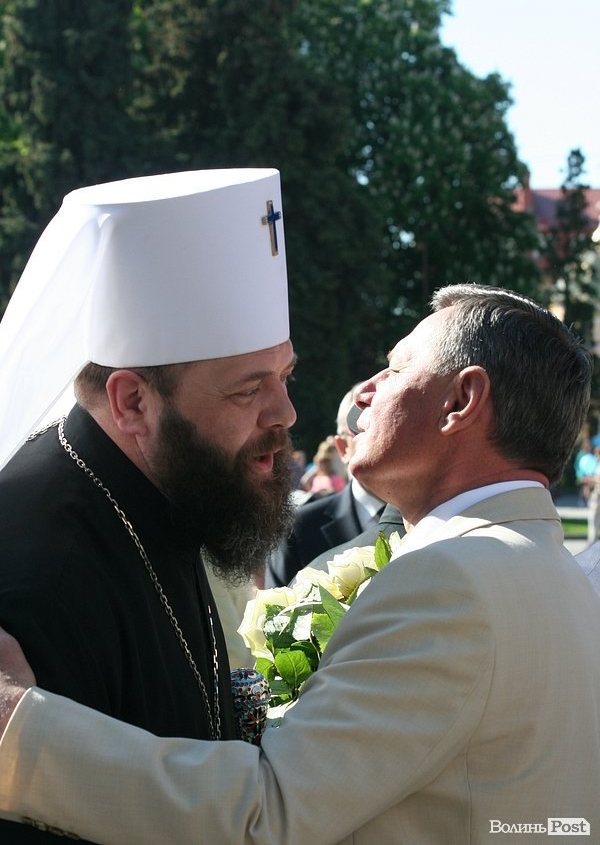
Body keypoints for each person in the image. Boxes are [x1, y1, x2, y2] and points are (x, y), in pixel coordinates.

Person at [1, 283, 600, 844]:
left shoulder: (452, 578)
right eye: (248, 387)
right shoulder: (560, 576)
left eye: (394, 368)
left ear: (462, 401)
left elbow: (267, 817)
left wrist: (17, 732)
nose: (366, 390)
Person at [0, 168, 297, 840]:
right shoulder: (31, 568)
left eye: (286, 375)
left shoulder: (177, 495)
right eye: (248, 390)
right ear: (133, 401)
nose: (286, 412)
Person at [265, 384, 386, 587]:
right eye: (365, 428)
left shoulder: (436, 516)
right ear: (343, 447)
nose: (382, 437)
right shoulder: (299, 529)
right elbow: (274, 613)